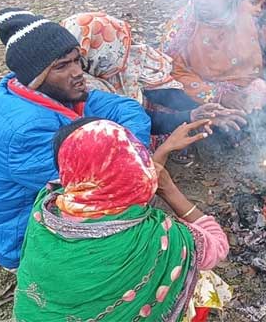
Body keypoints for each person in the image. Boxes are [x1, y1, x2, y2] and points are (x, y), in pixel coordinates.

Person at [0, 8, 151, 270]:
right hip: (18, 238)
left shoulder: (50, 92)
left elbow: (127, 109)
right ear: (37, 77)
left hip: (32, 206)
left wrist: (130, 148)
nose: (77, 72)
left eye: (77, 60)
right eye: (62, 66)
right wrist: (138, 157)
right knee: (135, 238)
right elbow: (88, 184)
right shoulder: (25, 130)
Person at [13, 118, 230, 321]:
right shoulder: (153, 235)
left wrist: (163, 151)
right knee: (203, 283)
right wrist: (169, 189)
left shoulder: (47, 205)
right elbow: (217, 247)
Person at [61, 12, 247, 136]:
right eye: (117, 47)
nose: (124, 52)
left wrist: (198, 110)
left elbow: (162, 90)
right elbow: (134, 119)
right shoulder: (79, 89)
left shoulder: (117, 63)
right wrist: (188, 116)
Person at [161, 0, 266, 115]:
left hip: (234, 89)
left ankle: (250, 128)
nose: (202, 0)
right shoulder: (181, 25)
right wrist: (219, 96)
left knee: (259, 88)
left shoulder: (243, 19)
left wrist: (239, 96)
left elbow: (252, 67)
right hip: (192, 95)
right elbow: (171, 72)